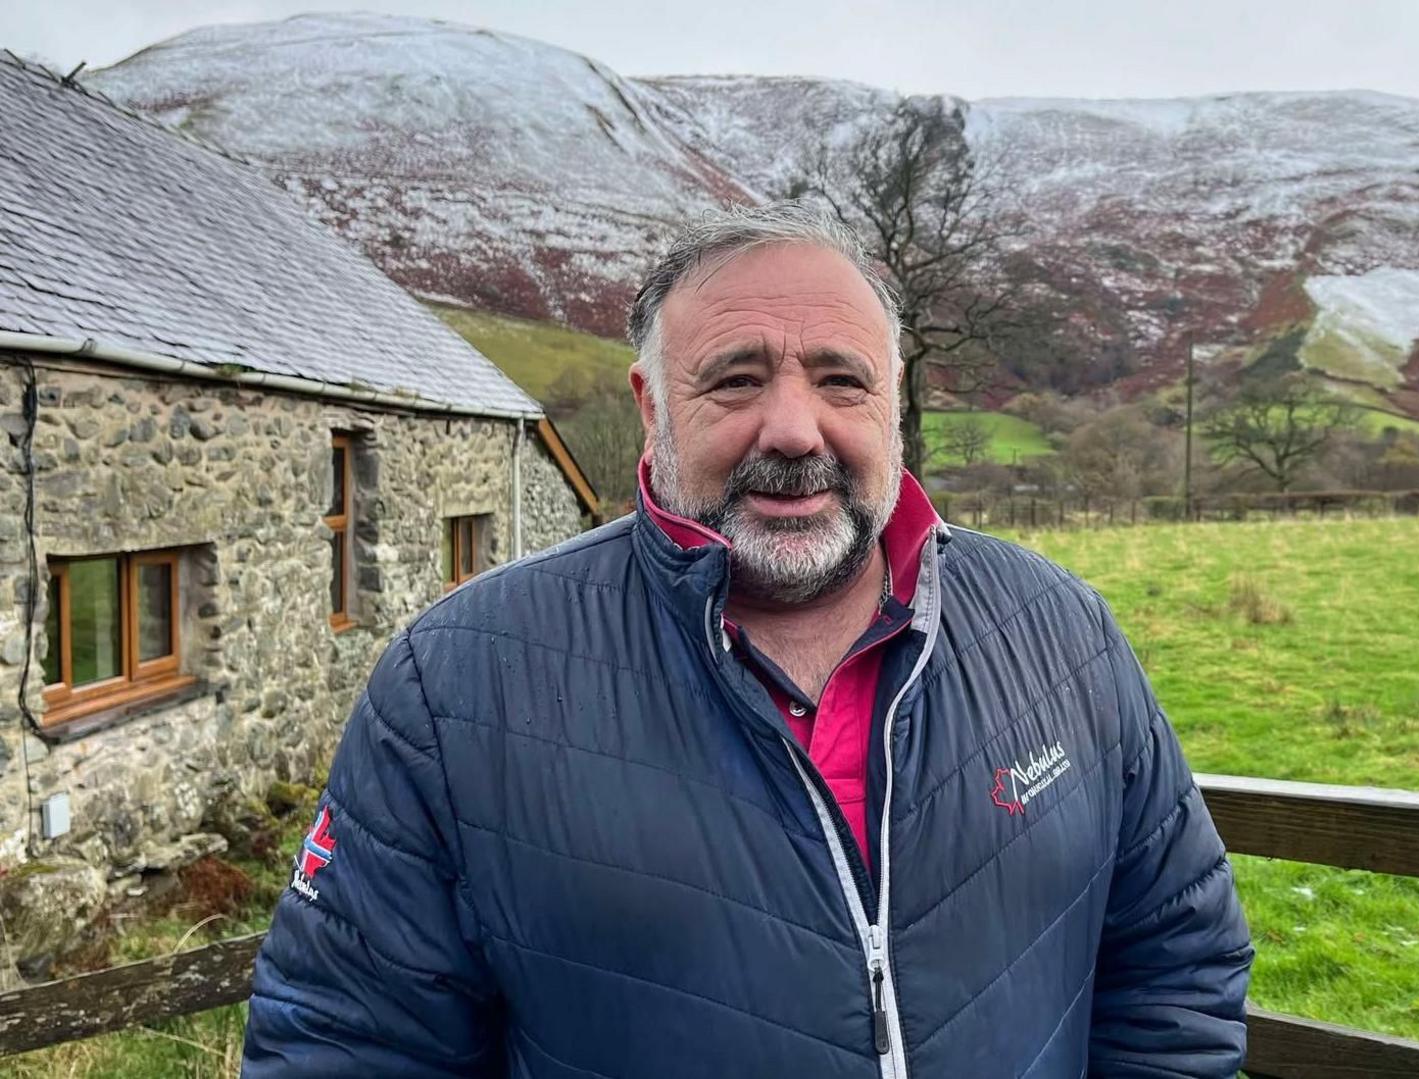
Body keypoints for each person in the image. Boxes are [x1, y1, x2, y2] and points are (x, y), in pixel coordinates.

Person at [242, 201, 1252, 1077]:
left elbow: (1176, 953)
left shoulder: (1057, 627)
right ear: (652, 410)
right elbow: (345, 1042)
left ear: (893, 405)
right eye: (734, 379)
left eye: (840, 380)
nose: (795, 429)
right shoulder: (457, 683)